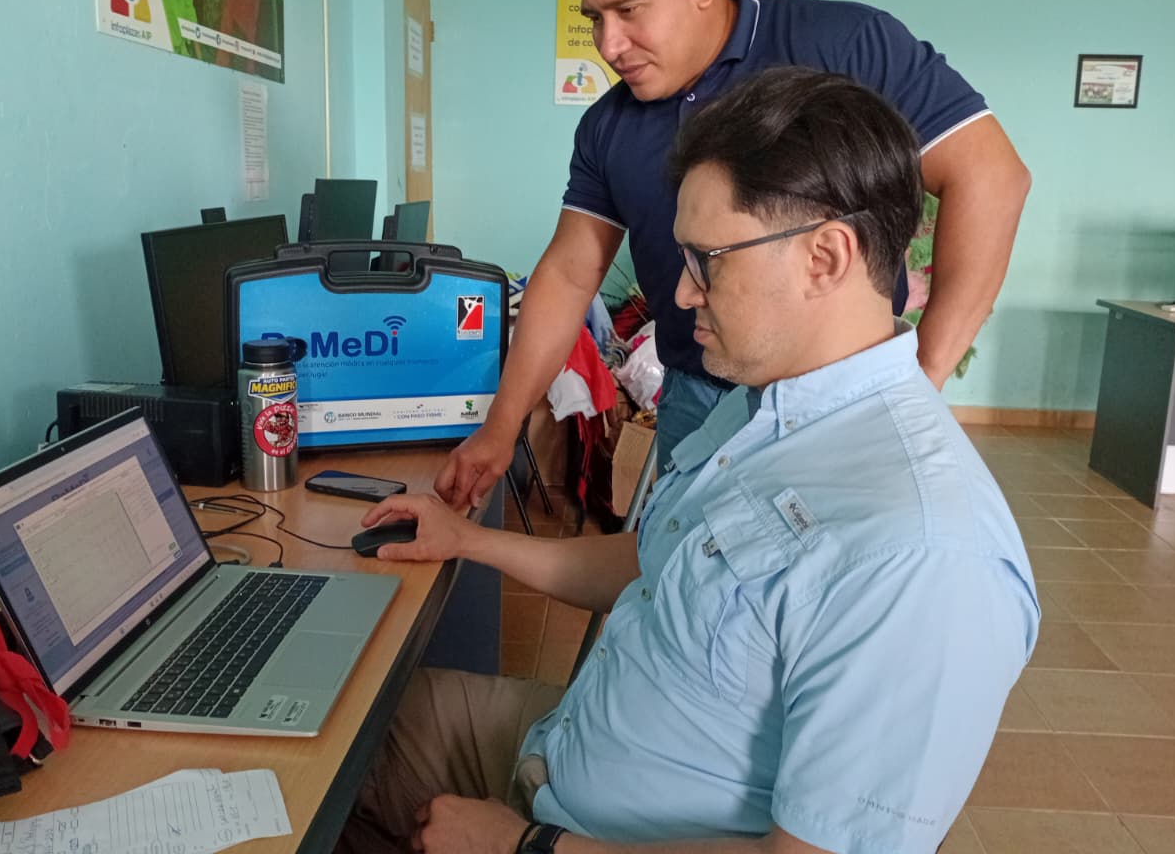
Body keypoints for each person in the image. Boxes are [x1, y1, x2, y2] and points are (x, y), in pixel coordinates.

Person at [340, 66, 1039, 854]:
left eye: (710, 259)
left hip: (574, 834)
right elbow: (656, 560)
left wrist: (522, 847)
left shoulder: (922, 554)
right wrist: (468, 541)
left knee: (323, 782)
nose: (680, 295)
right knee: (338, 729)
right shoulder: (764, 405)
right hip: (561, 750)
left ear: (826, 257)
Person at [436, 0, 1031, 509]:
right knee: (678, 560)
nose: (608, 45)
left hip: (839, 402)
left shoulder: (842, 44)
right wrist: (500, 428)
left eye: (629, 10)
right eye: (595, 18)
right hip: (695, 395)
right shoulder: (608, 126)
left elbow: (991, 177)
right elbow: (568, 273)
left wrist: (924, 376)